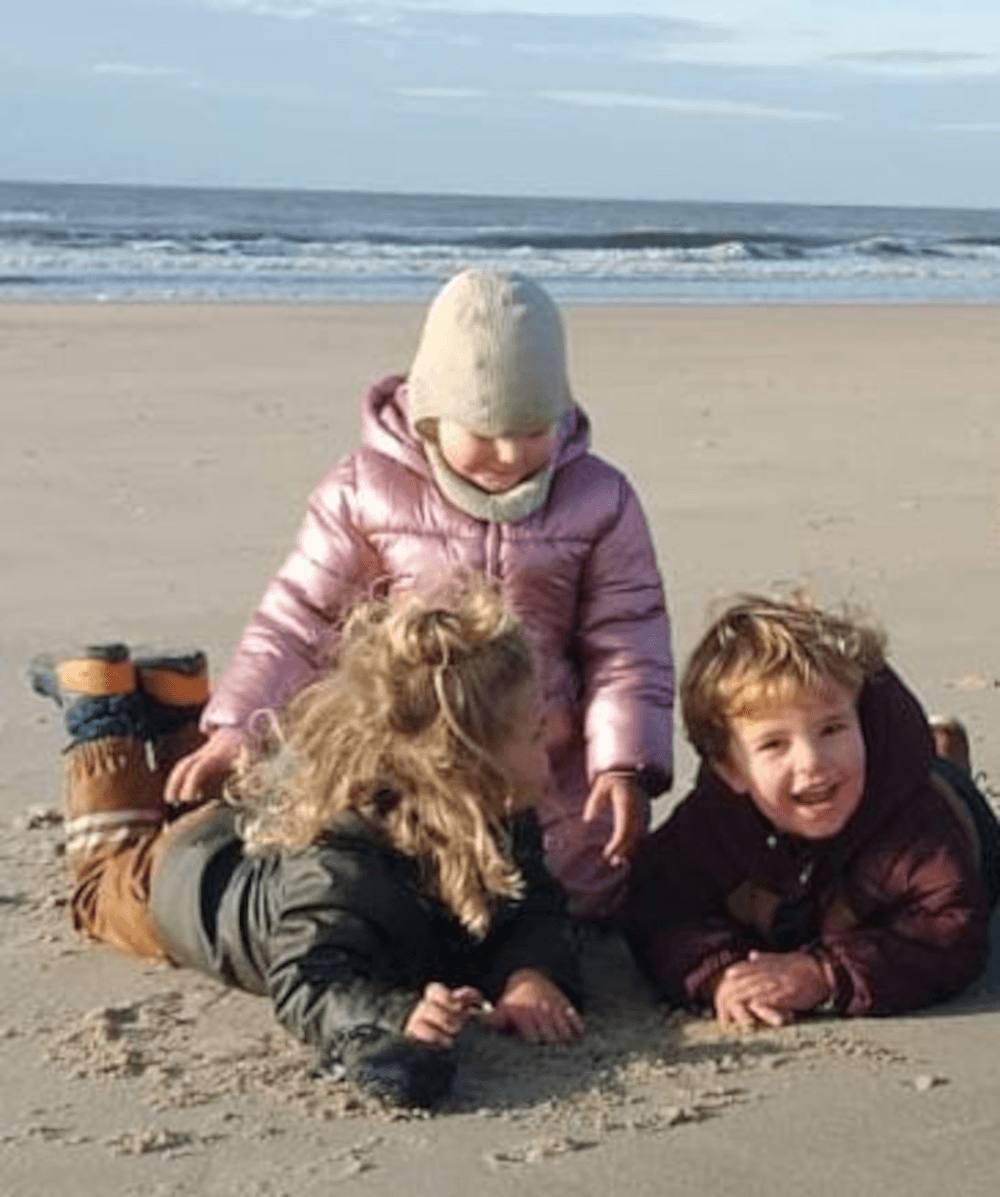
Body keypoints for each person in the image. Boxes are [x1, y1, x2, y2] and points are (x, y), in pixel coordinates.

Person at [165, 268, 674, 918]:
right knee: (397, 900)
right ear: (431, 412)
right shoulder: (363, 492)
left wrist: (622, 762)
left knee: (580, 894)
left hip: (543, 753)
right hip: (408, 752)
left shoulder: (600, 500)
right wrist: (238, 727)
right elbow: (299, 617)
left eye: (532, 427)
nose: (510, 452)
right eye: (483, 431)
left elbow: (627, 639)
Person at [29, 581, 584, 1108]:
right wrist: (394, 1016)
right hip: (187, 884)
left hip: (255, 841)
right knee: (101, 889)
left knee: (204, 803)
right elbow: (308, 979)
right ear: (462, 768)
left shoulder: (498, 813)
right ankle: (97, 709)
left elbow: (533, 904)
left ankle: (178, 699)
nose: (553, 741)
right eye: (534, 734)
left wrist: (530, 974)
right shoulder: (343, 870)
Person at [624, 594, 1000, 1028]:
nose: (812, 761)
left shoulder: (920, 827)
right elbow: (657, 904)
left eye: (832, 729)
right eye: (774, 744)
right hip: (810, 885)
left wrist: (826, 975)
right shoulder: (715, 822)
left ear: (863, 721)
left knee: (950, 786)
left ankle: (945, 757)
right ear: (731, 769)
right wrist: (718, 973)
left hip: (945, 813)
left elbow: (950, 934)